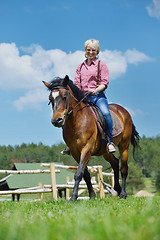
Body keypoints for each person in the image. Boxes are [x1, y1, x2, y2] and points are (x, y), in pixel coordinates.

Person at [61, 39, 116, 154]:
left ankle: (110, 141)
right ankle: (70, 143)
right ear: (85, 50)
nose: (91, 52)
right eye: (88, 50)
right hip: (83, 97)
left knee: (105, 113)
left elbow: (104, 83)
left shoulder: (101, 65)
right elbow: (77, 84)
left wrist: (95, 90)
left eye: (93, 50)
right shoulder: (80, 67)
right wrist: (80, 92)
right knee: (69, 114)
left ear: (97, 51)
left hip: (97, 96)